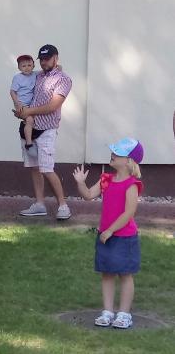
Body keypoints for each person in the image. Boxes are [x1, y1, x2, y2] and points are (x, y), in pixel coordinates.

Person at [72, 138, 144, 329]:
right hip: (106, 235)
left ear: (129, 161)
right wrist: (81, 183)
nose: (112, 154)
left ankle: (124, 314)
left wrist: (111, 230)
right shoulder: (106, 179)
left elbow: (129, 213)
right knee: (107, 273)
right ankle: (108, 312)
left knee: (125, 274)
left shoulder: (132, 184)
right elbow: (88, 195)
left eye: (118, 153)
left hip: (124, 237)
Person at [15, 44, 73, 220]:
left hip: (47, 129)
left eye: (47, 59)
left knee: (47, 169)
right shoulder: (38, 75)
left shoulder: (63, 79)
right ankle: (39, 204)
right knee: (34, 168)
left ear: (56, 58)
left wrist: (28, 111)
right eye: (41, 59)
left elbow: (53, 106)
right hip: (30, 127)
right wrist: (21, 111)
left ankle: (63, 206)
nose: (43, 62)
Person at [10, 54, 37, 156]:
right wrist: (17, 103)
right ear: (19, 67)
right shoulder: (17, 77)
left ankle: (30, 135)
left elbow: (46, 72)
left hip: (32, 104)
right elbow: (12, 91)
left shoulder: (35, 74)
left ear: (33, 66)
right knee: (30, 120)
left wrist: (59, 67)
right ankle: (28, 143)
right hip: (22, 104)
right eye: (23, 66)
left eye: (29, 65)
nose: (27, 68)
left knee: (33, 120)